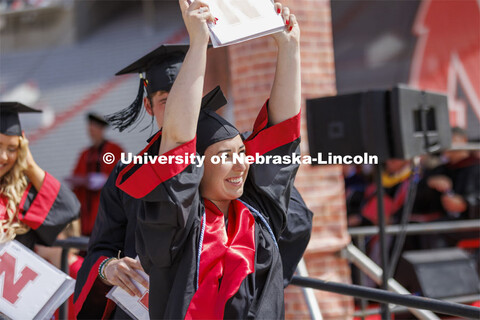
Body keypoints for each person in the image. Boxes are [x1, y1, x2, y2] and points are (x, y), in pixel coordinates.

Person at [116, 1, 301, 318]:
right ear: (195, 166)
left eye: (241, 153)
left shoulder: (258, 213)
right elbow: (176, 140)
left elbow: (282, 134)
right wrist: (198, 43)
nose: (241, 164)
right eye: (225, 156)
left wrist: (289, 46)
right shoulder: (178, 223)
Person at [0, 102, 79, 249]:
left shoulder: (20, 197)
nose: (3, 156)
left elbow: (68, 208)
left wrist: (30, 166)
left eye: (12, 148)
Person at [68, 112, 123, 236]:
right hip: (87, 212)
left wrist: (104, 180)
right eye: (90, 128)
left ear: (101, 129)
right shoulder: (85, 154)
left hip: (107, 209)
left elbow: (124, 174)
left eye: (94, 127)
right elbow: (77, 177)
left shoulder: (114, 149)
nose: (91, 131)